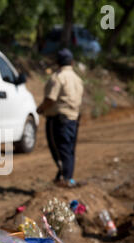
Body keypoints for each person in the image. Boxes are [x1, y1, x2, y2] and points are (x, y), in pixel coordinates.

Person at [37, 48, 84, 188]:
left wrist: (40, 109)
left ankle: (65, 179)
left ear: (57, 62)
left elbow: (50, 99)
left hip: (58, 120)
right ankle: (65, 177)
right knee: (68, 150)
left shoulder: (58, 77)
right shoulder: (77, 79)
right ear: (72, 62)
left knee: (59, 150)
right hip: (73, 119)